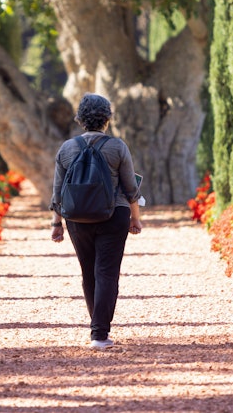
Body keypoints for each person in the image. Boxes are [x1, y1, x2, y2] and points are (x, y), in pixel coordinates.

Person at [49, 93, 143, 350]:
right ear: (107, 119)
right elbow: (130, 187)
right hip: (114, 215)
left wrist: (56, 224)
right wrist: (135, 217)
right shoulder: (117, 147)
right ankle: (99, 334)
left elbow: (58, 192)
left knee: (88, 271)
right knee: (107, 273)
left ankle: (97, 329)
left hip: (77, 218)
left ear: (80, 119)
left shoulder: (67, 148)